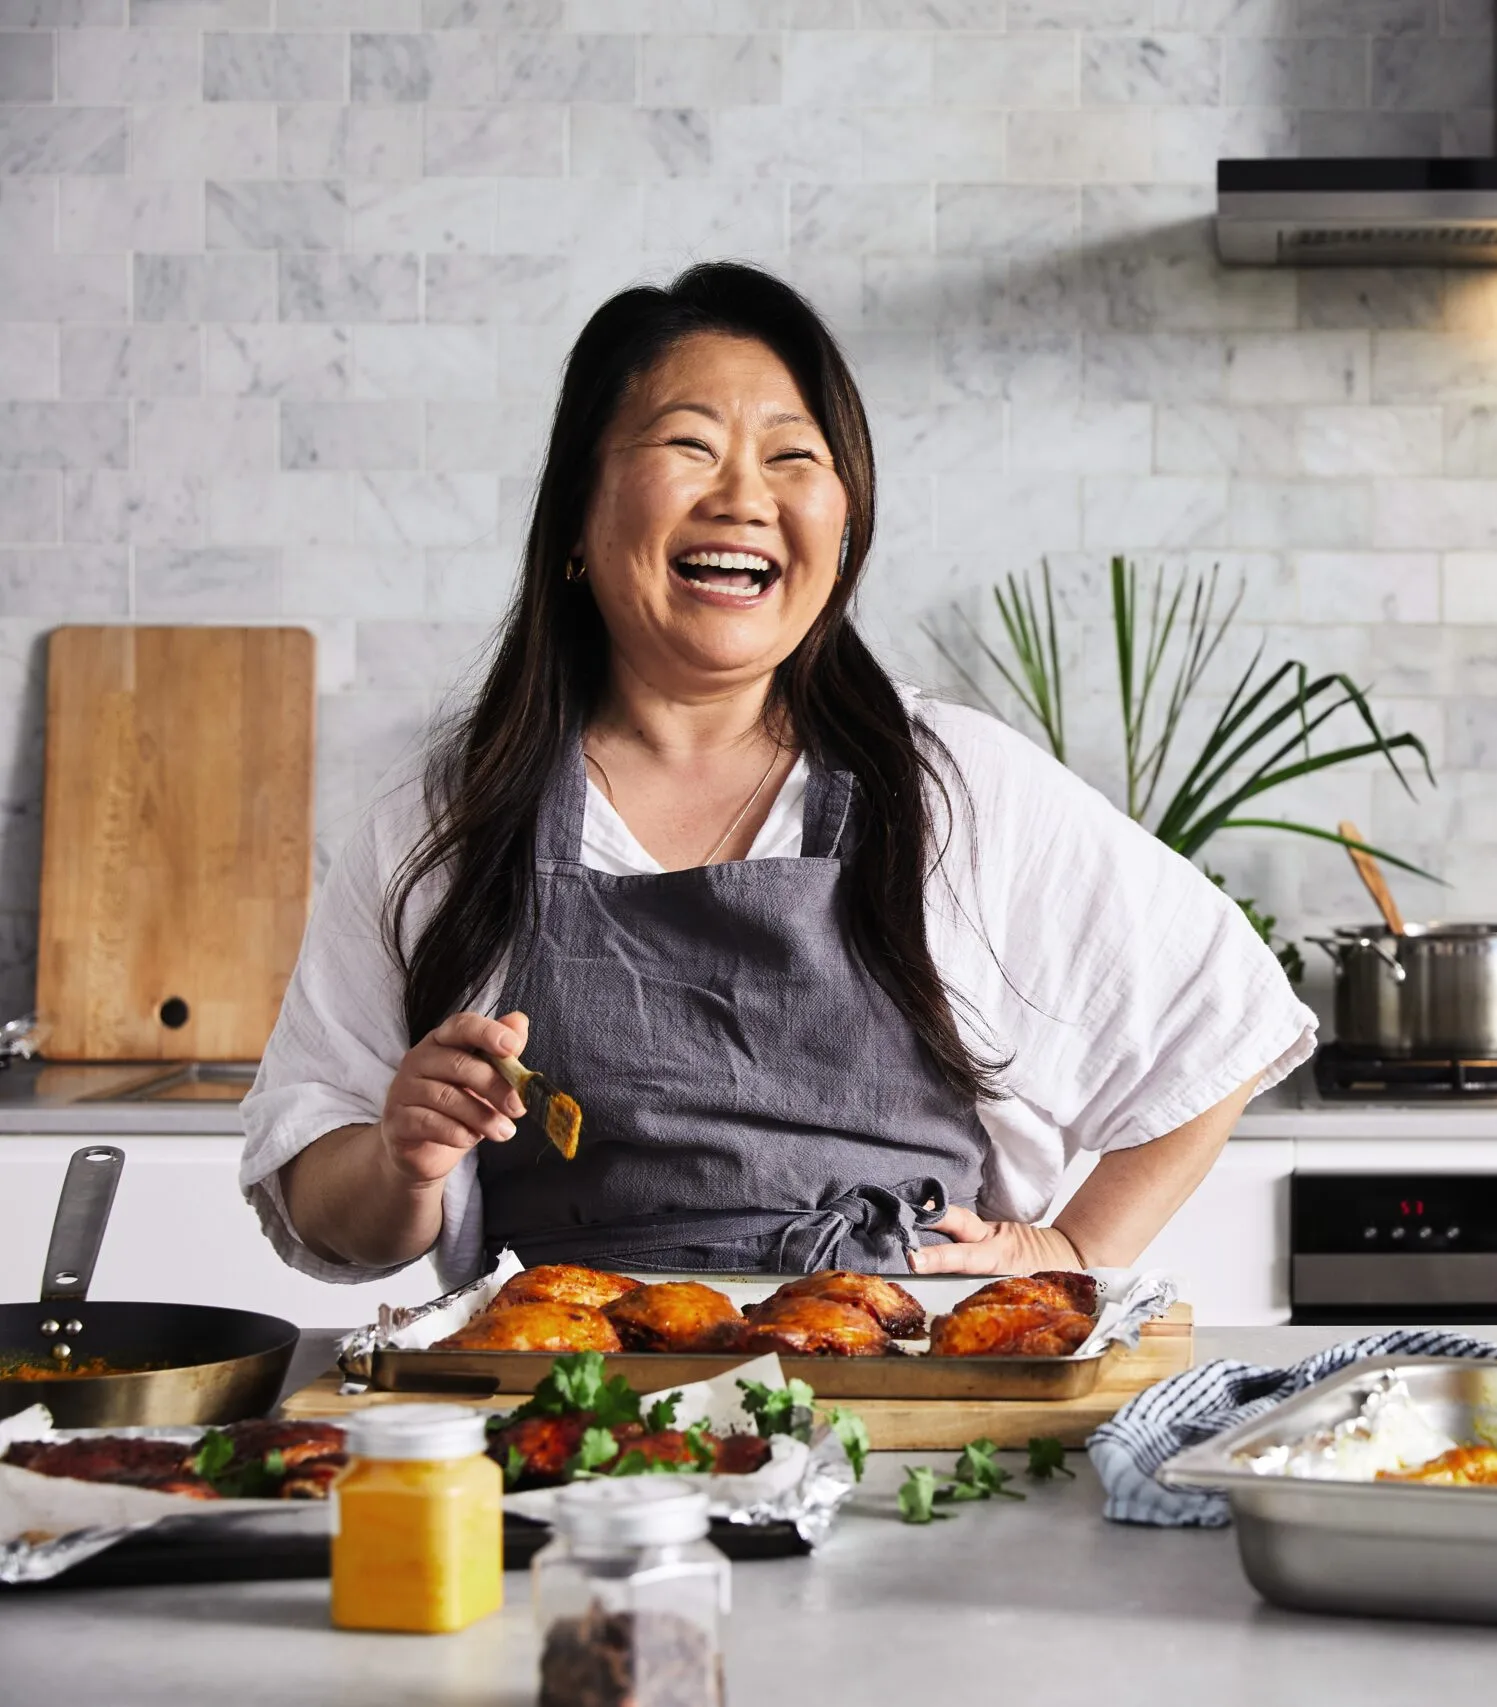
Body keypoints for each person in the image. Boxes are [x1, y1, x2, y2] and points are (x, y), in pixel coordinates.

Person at [241, 262, 1314, 1289]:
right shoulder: (454, 815)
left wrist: (1074, 1251)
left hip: (898, 1394)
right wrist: (401, 1160)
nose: (744, 497)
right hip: (561, 1411)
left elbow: (1225, 1014)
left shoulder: (950, 788)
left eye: (794, 459)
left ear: (842, 531)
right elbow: (321, 1204)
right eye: (690, 445)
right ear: (577, 515)